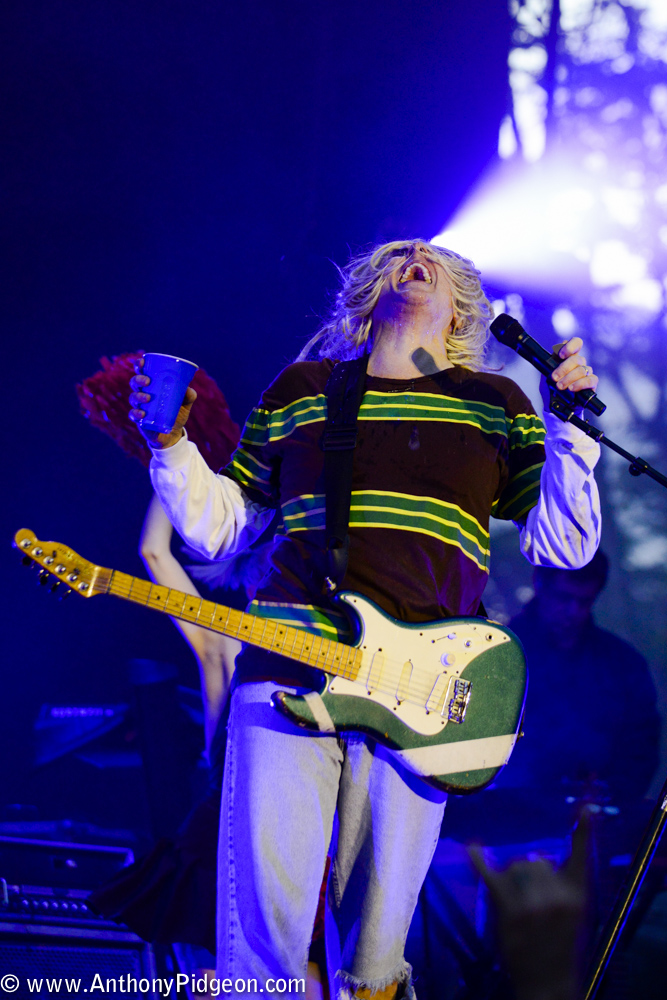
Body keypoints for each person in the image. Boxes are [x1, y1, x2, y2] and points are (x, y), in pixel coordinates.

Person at [129, 239, 602, 999]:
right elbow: (223, 529)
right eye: (398, 255)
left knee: (373, 957)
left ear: (461, 308)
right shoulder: (303, 387)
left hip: (423, 692)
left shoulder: (496, 401)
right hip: (286, 663)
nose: (415, 254)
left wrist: (569, 431)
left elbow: (564, 546)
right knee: (261, 939)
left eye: (434, 259)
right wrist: (170, 445)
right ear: (368, 291)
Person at [504, 550, 660, 802]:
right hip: (502, 811)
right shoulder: (498, 653)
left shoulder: (623, 663)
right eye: (563, 597)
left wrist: (612, 794)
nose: (573, 611)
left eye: (585, 601)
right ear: (539, 584)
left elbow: (641, 744)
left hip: (597, 817)